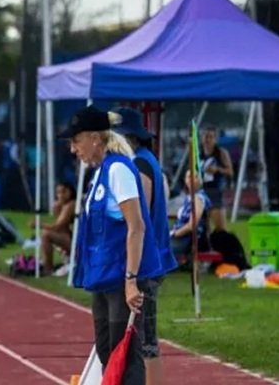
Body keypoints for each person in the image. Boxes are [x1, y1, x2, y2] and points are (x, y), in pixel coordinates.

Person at [62, 106, 164, 385]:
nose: (73, 149)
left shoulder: (118, 170)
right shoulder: (100, 173)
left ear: (95, 138)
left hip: (122, 278)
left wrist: (131, 280)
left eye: (76, 141)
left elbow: (137, 226)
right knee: (108, 351)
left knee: (126, 355)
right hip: (104, 277)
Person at [111, 107, 178, 385]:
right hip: (153, 256)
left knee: (145, 340)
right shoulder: (146, 160)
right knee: (145, 337)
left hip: (148, 260)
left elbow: (140, 215)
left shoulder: (139, 165)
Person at [170, 170, 211, 263]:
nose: (191, 179)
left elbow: (192, 225)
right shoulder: (189, 197)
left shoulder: (198, 198)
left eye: (195, 177)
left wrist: (174, 234)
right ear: (185, 180)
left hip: (189, 239)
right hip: (182, 236)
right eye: (188, 177)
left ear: (201, 180)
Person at [38, 182, 76, 276]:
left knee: (46, 234)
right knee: (47, 234)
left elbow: (57, 226)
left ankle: (48, 268)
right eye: (58, 192)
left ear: (70, 192)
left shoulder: (71, 204)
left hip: (80, 244)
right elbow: (62, 229)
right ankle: (50, 264)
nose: (60, 195)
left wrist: (40, 224)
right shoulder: (62, 206)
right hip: (72, 240)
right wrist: (57, 209)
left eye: (63, 192)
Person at [199, 126, 233, 232]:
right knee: (203, 228)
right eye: (205, 136)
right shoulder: (198, 153)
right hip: (201, 192)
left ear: (215, 139)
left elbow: (230, 171)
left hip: (215, 191)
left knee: (220, 229)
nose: (207, 139)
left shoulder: (221, 153)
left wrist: (217, 169)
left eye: (210, 137)